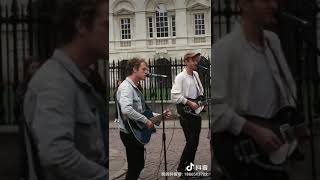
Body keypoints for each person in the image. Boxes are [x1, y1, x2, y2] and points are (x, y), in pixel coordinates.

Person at [211, 0, 309, 179]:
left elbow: (287, 93)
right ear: (244, 4)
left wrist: (293, 128)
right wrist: (254, 130)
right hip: (243, 155)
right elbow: (213, 110)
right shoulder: (223, 50)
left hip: (272, 154)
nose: (273, 6)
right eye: (265, 0)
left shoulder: (273, 41)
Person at [23, 0, 109, 179]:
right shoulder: (55, 81)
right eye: (107, 24)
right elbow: (57, 157)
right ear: (82, 26)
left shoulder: (80, 77)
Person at [116, 57, 171, 180]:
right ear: (135, 70)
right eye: (144, 69)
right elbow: (126, 109)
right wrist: (146, 121)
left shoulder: (135, 88)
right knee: (135, 166)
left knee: (138, 165)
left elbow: (143, 112)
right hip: (129, 133)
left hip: (135, 131)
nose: (147, 72)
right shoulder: (126, 87)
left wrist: (159, 116)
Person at [171, 52, 204, 178]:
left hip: (195, 111)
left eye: (196, 60)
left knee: (193, 142)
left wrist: (201, 101)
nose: (196, 63)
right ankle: (182, 168)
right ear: (186, 61)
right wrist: (189, 102)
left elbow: (200, 91)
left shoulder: (195, 74)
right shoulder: (180, 77)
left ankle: (187, 168)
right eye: (193, 60)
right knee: (192, 141)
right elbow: (174, 95)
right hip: (186, 112)